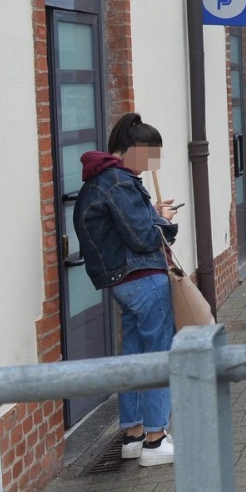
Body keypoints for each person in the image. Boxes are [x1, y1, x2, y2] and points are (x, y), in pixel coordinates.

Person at [73, 112, 180, 468]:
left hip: (120, 282)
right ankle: (155, 438)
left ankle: (133, 435)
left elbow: (122, 227)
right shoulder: (120, 182)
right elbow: (141, 237)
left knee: (133, 355)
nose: (152, 164)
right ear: (134, 150)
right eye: (151, 154)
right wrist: (164, 223)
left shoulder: (97, 180)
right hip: (144, 278)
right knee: (157, 355)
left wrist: (152, 213)